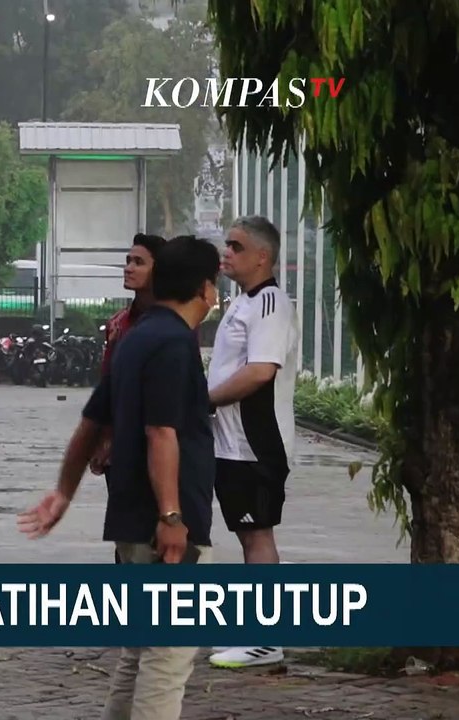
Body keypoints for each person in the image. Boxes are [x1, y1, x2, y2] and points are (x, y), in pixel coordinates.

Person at [18, 235, 221, 720]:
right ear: (206, 289)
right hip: (164, 526)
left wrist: (64, 492)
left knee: (139, 651)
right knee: (167, 660)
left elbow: (91, 423)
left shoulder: (135, 338)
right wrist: (172, 516)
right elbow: (161, 432)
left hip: (131, 519)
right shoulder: (173, 343)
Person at [205, 216, 298, 669]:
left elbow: (261, 370)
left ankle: (265, 639)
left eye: (236, 247)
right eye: (227, 245)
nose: (227, 253)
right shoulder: (244, 302)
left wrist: (204, 401)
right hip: (232, 445)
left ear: (262, 256)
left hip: (255, 445)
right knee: (249, 537)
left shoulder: (270, 304)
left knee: (258, 537)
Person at [90, 233, 166, 477]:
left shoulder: (175, 324)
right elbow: (108, 384)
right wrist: (103, 437)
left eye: (139, 263)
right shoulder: (118, 323)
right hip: (119, 445)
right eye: (128, 261)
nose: (128, 268)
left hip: (159, 445)